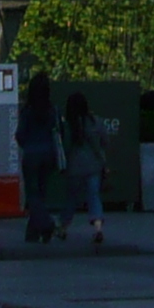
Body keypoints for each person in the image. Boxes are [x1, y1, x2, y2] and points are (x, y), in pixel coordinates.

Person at [56, 92, 107, 247]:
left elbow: (65, 146)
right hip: (94, 165)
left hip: (74, 167)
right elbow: (104, 141)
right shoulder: (96, 121)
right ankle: (98, 227)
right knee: (94, 196)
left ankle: (63, 227)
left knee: (71, 198)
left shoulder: (68, 125)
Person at [17, 72, 61, 246]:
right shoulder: (52, 110)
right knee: (41, 192)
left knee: (32, 194)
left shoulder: (28, 111)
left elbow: (20, 134)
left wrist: (26, 143)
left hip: (32, 154)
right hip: (49, 154)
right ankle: (33, 232)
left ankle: (45, 223)